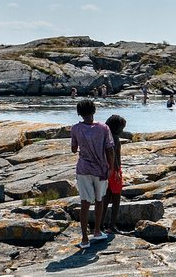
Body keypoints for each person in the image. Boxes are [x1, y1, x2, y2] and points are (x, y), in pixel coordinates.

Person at [70, 99, 114, 249]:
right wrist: (111, 167)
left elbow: (74, 149)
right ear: (94, 110)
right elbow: (110, 149)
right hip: (101, 169)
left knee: (85, 203)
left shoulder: (75, 128)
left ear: (79, 113)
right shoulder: (103, 128)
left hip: (83, 169)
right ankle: (97, 231)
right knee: (99, 200)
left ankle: (84, 239)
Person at [102, 114, 126, 235]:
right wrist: (117, 170)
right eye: (122, 128)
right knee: (116, 199)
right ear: (117, 127)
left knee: (106, 198)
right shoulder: (115, 138)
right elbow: (114, 156)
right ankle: (112, 225)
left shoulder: (105, 136)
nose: (123, 130)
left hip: (106, 170)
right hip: (115, 171)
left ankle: (100, 225)